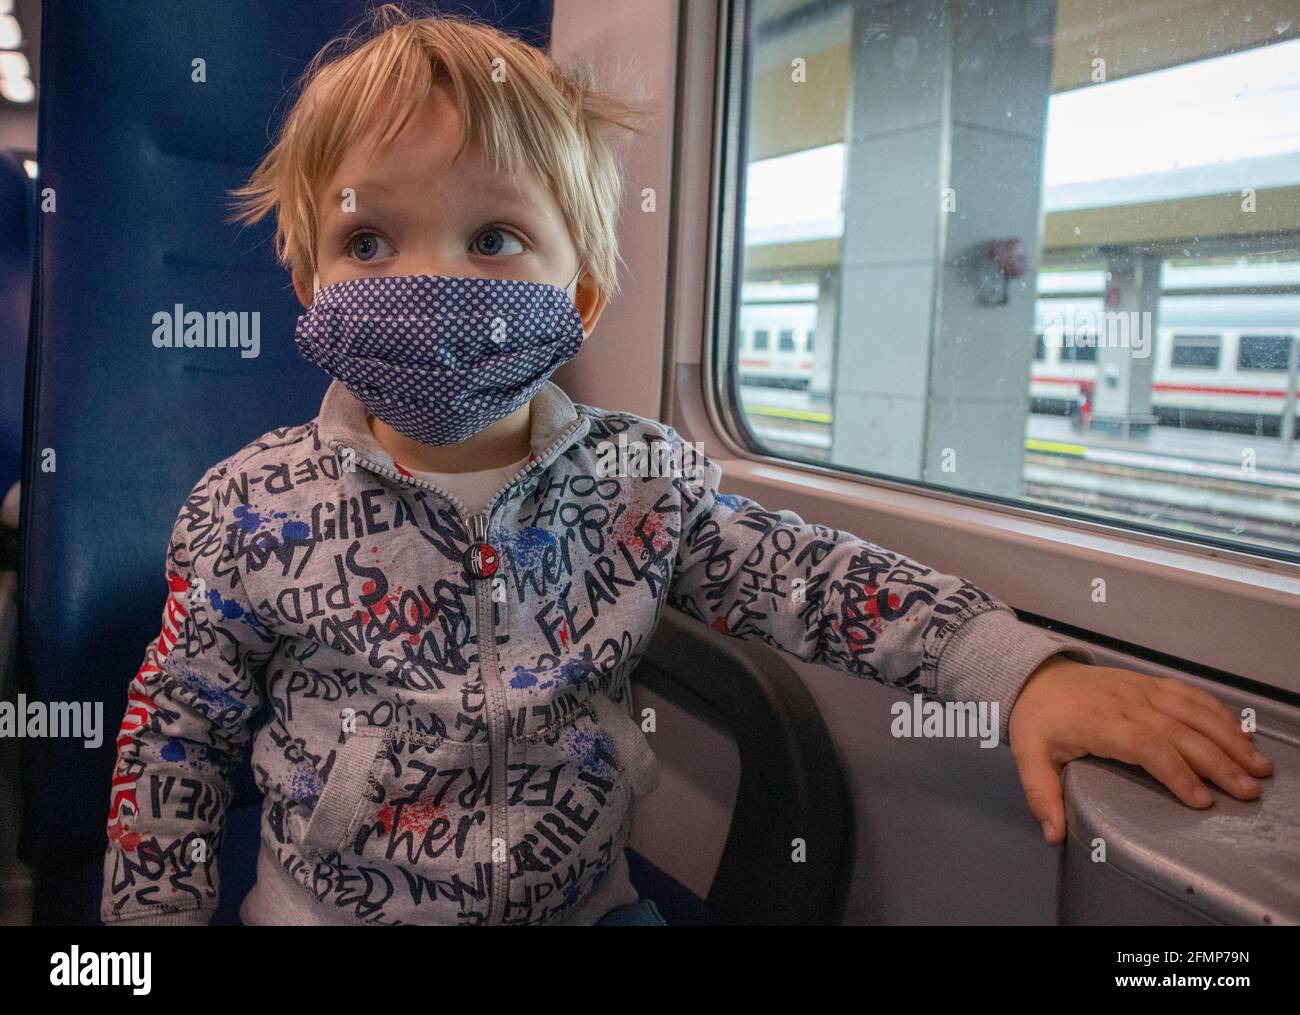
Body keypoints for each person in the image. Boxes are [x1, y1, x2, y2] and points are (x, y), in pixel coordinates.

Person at [100, 5, 1271, 927]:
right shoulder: (248, 506)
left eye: (495, 238)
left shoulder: (639, 485)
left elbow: (815, 579)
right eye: (368, 241)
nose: (426, 284)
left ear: (584, 295)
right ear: (310, 291)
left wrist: (1009, 666)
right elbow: (177, 736)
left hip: (585, 908)